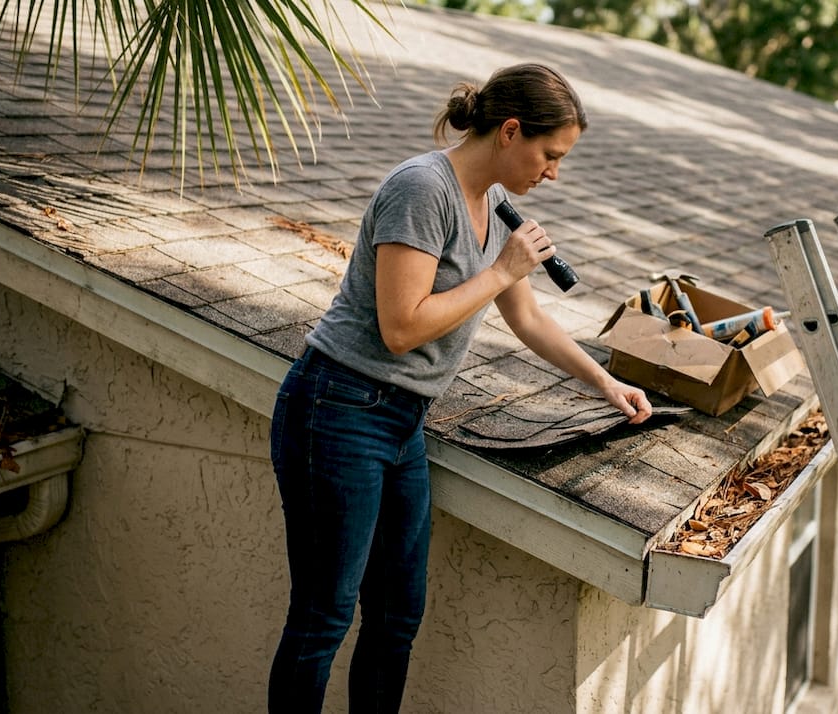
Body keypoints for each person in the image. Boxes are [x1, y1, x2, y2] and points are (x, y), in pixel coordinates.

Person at [266, 63, 653, 714]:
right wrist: (503, 269)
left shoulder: (497, 209)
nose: (553, 172)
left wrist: (606, 382)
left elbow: (526, 317)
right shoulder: (422, 188)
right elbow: (400, 327)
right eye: (550, 155)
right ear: (510, 132)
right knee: (324, 618)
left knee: (395, 618)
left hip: (402, 422)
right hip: (338, 410)